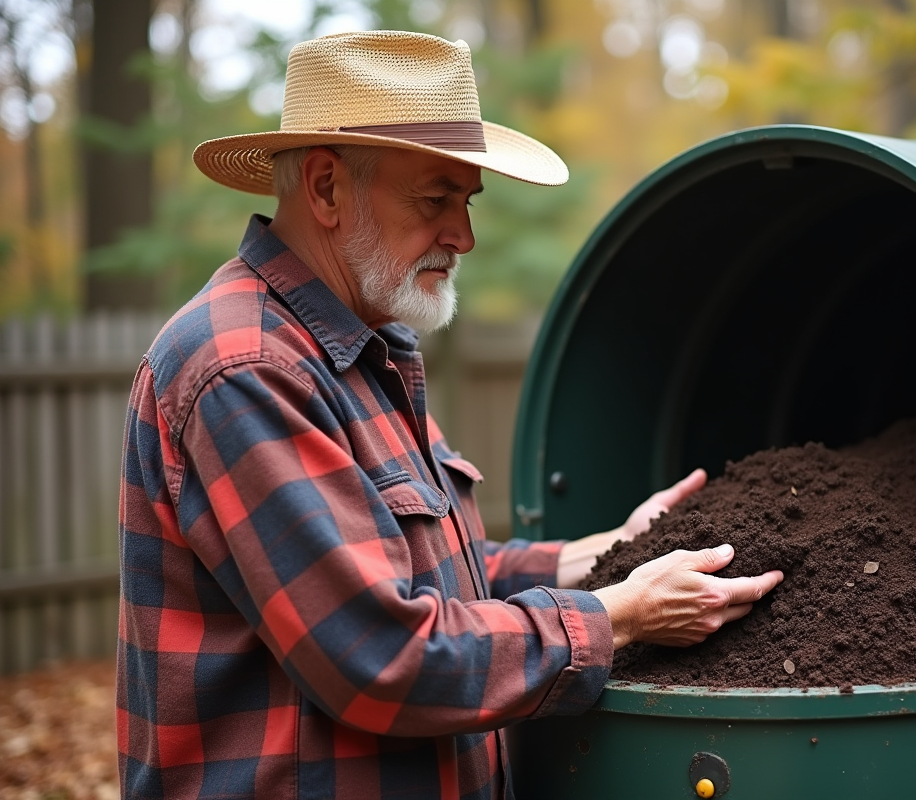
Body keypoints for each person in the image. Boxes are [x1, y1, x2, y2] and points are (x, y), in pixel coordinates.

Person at [117, 30, 783, 799]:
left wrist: (611, 551)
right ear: (327, 188)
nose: (463, 236)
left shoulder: (359, 351)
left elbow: (435, 577)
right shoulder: (248, 369)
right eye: (436, 199)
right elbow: (382, 656)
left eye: (466, 202)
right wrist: (621, 614)